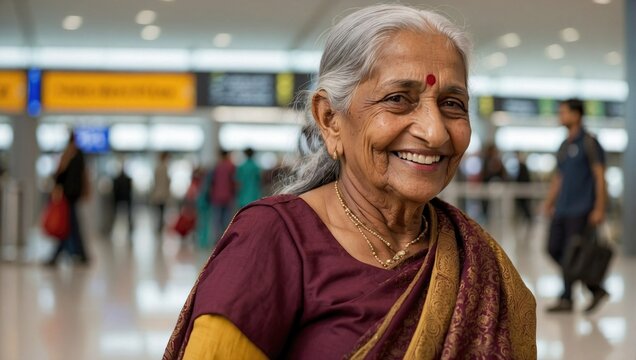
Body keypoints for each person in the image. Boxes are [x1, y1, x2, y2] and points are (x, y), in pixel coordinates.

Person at [164, 5, 536, 359]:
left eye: (452, 104)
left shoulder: (476, 258)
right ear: (329, 119)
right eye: (398, 99)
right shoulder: (273, 238)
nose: (435, 132)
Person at [544, 98, 608, 313]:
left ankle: (567, 298)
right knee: (553, 249)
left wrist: (599, 208)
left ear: (577, 115)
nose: (560, 116)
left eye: (564, 112)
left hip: (582, 210)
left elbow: (600, 177)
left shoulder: (589, 142)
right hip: (562, 209)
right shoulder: (564, 145)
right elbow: (559, 178)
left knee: (572, 254)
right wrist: (550, 202)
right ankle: (595, 288)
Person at [45, 131, 90, 266]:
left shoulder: (69, 155)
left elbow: (61, 175)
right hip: (72, 195)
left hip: (69, 196)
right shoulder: (77, 156)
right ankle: (78, 254)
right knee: (70, 225)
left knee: (68, 225)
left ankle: (61, 254)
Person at [209, 149, 236, 242]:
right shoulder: (231, 166)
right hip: (228, 196)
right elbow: (234, 182)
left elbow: (211, 182)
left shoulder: (216, 167)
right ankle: (225, 239)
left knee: (217, 219)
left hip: (216, 196)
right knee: (227, 219)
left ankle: (217, 239)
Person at [151, 152, 171, 233]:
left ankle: (159, 227)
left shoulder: (157, 168)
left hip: (157, 194)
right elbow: (166, 182)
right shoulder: (164, 168)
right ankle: (160, 227)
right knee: (161, 212)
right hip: (162, 194)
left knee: (158, 212)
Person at [112, 161, 134, 235]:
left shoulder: (117, 179)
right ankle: (130, 227)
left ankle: (114, 225)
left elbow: (114, 190)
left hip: (119, 198)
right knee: (128, 214)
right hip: (126, 198)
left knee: (117, 213)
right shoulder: (128, 179)